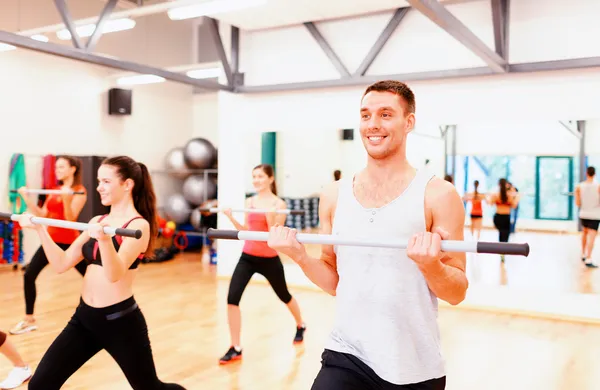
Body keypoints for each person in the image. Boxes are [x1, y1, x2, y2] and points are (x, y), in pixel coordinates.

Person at [268, 80, 467, 389]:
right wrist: (299, 256)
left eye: (386, 114)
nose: (373, 125)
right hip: (347, 353)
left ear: (408, 122)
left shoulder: (438, 195)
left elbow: (457, 292)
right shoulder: (334, 194)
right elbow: (335, 281)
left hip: (413, 366)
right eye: (365, 115)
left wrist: (432, 266)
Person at [15, 156, 186, 390]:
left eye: (106, 181)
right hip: (84, 319)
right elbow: (61, 263)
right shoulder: (98, 220)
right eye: (98, 181)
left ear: (127, 184)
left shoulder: (138, 226)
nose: (99, 187)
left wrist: (104, 239)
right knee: (39, 385)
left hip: (120, 322)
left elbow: (114, 273)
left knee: (150, 388)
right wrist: (41, 229)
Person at [218, 163, 306, 365]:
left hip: (269, 259)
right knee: (232, 298)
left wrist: (270, 214)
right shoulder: (249, 201)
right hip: (248, 257)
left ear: (270, 179)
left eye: (260, 176)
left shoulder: (279, 204)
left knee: (284, 295)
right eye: (254, 176)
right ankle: (235, 347)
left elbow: (274, 236)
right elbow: (246, 232)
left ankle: (300, 325)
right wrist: (231, 216)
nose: (256, 180)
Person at [10, 155, 88, 335]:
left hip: (70, 243)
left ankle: (105, 310)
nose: (57, 171)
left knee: (91, 276)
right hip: (51, 241)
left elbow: (71, 218)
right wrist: (26, 197)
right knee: (29, 274)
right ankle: (29, 319)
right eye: (56, 168)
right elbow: (41, 214)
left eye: (61, 167)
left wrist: (67, 199)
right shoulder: (55, 190)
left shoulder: (79, 191)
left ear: (72, 169)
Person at [487, 178, 518, 262]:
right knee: (505, 236)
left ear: (499, 185)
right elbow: (514, 205)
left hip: (498, 218)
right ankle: (502, 252)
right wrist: (515, 194)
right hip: (505, 218)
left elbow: (490, 203)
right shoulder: (509, 196)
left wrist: (489, 197)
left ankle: (502, 252)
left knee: (502, 234)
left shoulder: (496, 195)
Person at [575, 166, 600, 268]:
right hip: (595, 215)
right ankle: (588, 258)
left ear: (586, 173)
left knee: (584, 234)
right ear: (594, 174)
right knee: (592, 237)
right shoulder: (598, 186)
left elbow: (577, 203)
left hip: (583, 214)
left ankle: (583, 254)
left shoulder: (579, 186)